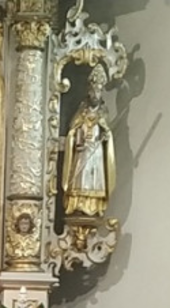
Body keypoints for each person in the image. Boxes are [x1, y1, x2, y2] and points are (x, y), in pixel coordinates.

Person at [62, 64, 115, 218]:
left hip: (97, 152)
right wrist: (75, 140)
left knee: (95, 176)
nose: (95, 95)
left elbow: (107, 132)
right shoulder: (81, 112)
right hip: (82, 151)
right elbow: (73, 130)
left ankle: (95, 204)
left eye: (98, 91)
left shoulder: (103, 113)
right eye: (93, 91)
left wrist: (106, 137)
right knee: (80, 175)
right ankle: (78, 203)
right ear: (89, 92)